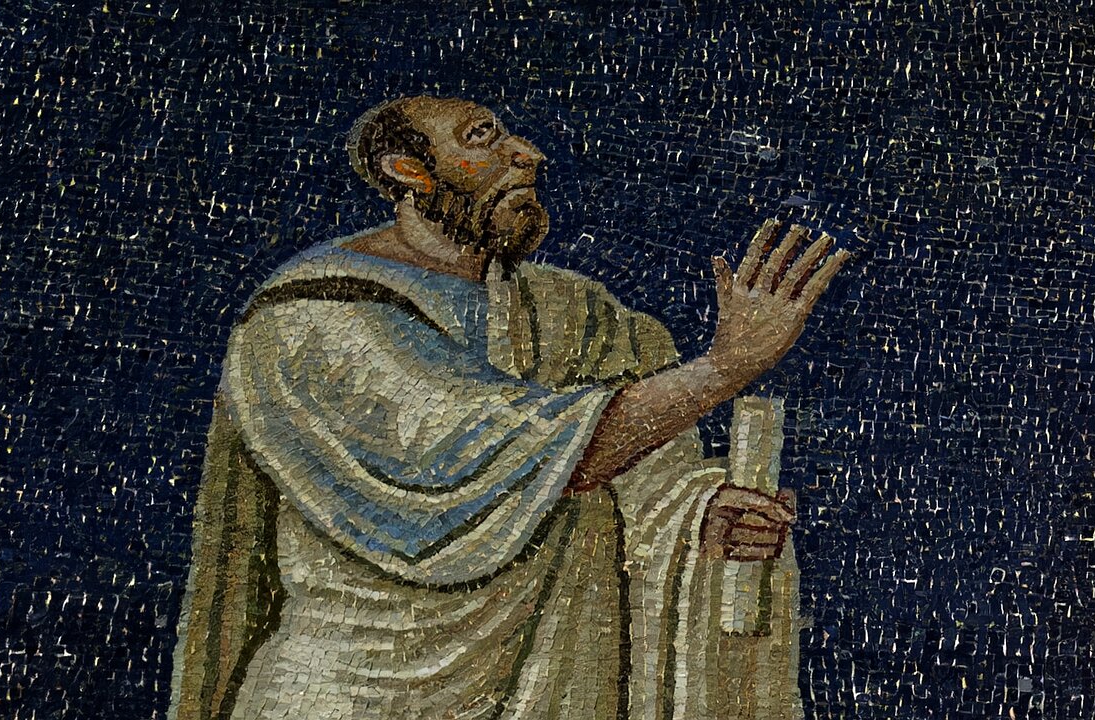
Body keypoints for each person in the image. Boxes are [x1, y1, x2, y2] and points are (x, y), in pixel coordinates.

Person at [169, 96, 850, 720]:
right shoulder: (312, 320)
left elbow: (643, 486)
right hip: (356, 695)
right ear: (409, 171)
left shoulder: (573, 313)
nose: (526, 154)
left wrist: (703, 520)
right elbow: (509, 453)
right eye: (481, 138)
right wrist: (724, 368)